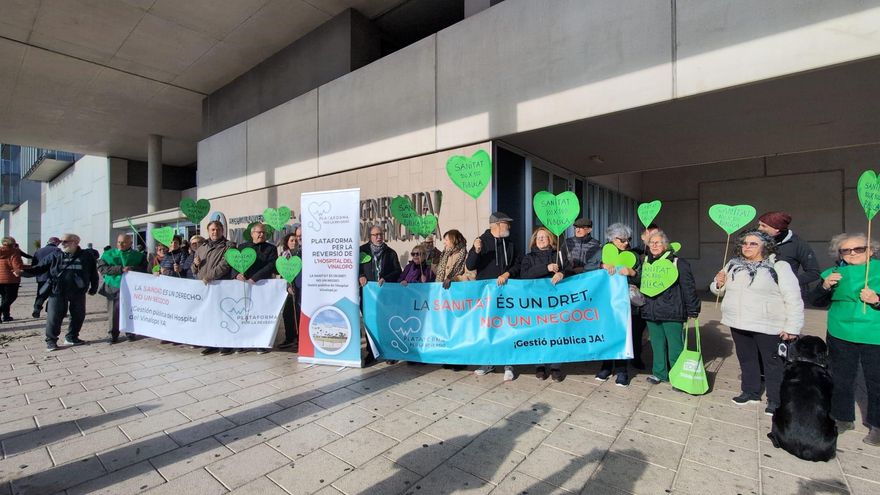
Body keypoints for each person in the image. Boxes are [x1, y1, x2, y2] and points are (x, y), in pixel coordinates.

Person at [710, 229, 803, 415]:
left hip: (767, 324)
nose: (747, 247)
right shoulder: (733, 264)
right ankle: (750, 391)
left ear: (765, 246)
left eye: (753, 244)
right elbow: (718, 291)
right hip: (738, 322)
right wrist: (718, 283)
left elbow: (793, 297)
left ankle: (776, 400)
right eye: (745, 243)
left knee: (773, 363)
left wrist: (792, 327)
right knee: (746, 359)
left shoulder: (778, 266)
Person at [810, 233, 880, 446]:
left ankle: (877, 425)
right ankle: (842, 417)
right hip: (840, 331)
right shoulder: (833, 273)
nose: (852, 254)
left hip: (874, 333)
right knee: (840, 377)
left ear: (870, 250)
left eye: (858, 249)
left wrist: (877, 300)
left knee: (876, 380)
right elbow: (816, 301)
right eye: (845, 250)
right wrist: (825, 286)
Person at [638, 230, 701, 386]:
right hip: (651, 312)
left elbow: (688, 287)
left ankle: (678, 376)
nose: (654, 245)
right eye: (651, 243)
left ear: (665, 245)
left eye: (658, 242)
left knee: (675, 346)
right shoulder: (646, 262)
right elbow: (641, 282)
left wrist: (693, 308)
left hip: (672, 311)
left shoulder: (678, 263)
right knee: (657, 345)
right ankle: (659, 373)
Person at [17, 234, 99, 351]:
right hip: (58, 290)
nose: (62, 244)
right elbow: (39, 268)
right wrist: (22, 272)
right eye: (61, 241)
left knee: (78, 315)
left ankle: (71, 337)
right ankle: (51, 341)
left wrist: (93, 288)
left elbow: (93, 273)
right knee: (54, 316)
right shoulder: (55, 254)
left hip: (78, 291)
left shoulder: (86, 255)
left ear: (75, 242)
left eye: (65, 241)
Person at [466, 211, 521, 380]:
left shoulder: (510, 243)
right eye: (506, 223)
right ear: (496, 225)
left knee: (506, 328)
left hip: (506, 293)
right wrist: (476, 251)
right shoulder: (481, 241)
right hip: (487, 295)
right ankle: (488, 362)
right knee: (487, 328)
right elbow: (470, 265)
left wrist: (507, 274)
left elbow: (518, 263)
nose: (509, 226)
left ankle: (508, 364)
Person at [520, 227, 567, 382]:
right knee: (538, 333)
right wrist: (546, 268)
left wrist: (562, 273)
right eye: (538, 237)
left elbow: (570, 270)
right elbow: (525, 275)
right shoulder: (528, 257)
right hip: (536, 302)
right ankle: (539, 365)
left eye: (544, 237)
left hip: (555, 302)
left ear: (550, 239)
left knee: (556, 333)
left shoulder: (558, 255)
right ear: (534, 240)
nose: (541, 239)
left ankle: (555, 367)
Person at [598, 223, 641, 386]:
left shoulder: (634, 255)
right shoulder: (602, 251)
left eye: (628, 239)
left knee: (623, 335)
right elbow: (588, 268)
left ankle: (622, 370)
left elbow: (643, 278)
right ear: (612, 239)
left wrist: (632, 273)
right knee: (607, 333)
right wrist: (602, 265)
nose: (625, 242)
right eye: (621, 239)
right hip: (605, 301)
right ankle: (606, 366)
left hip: (626, 303)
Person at [191, 220, 236, 355]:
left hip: (220, 286)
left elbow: (225, 265)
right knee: (208, 316)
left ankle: (225, 344)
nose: (215, 232)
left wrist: (209, 277)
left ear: (222, 231)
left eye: (217, 229)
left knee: (223, 315)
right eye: (212, 229)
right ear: (208, 231)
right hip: (204, 287)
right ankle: (211, 343)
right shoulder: (202, 247)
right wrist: (195, 265)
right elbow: (194, 269)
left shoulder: (229, 246)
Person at [233, 223, 278, 354]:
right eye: (259, 232)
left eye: (263, 232)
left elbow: (271, 265)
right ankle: (242, 343)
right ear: (252, 234)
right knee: (243, 315)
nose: (261, 234)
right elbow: (234, 263)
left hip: (261, 286)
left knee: (259, 315)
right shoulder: (242, 247)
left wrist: (254, 278)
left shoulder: (271, 248)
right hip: (243, 286)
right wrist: (236, 274)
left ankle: (260, 343)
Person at [97, 234, 148, 343]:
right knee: (113, 312)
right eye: (119, 242)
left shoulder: (139, 256)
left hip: (131, 287)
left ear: (131, 243)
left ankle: (130, 332)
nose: (121, 244)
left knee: (131, 310)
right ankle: (113, 335)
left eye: (124, 242)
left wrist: (132, 269)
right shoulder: (108, 254)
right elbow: (101, 268)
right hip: (113, 286)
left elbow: (145, 269)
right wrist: (120, 269)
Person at [757, 211, 820, 295]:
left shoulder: (798, 244)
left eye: (763, 226)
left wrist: (790, 282)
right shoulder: (756, 241)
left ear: (777, 228)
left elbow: (814, 272)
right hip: (758, 292)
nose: (759, 228)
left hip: (784, 294)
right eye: (759, 225)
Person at [278, 227, 302, 351]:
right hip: (288, 289)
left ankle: (299, 338)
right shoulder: (283, 256)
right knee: (288, 313)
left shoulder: (301, 254)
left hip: (300, 287)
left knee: (298, 313)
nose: (294, 242)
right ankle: (289, 338)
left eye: (296, 240)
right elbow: (282, 273)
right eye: (291, 240)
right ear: (287, 243)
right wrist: (288, 286)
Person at [31, 237, 60, 318]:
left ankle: (37, 308)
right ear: (56, 243)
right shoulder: (58, 251)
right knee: (53, 294)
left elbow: (34, 265)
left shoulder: (38, 251)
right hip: (54, 276)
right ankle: (49, 309)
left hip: (41, 277)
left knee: (41, 294)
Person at [0, 237, 24, 322]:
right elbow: (17, 266)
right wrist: (30, 267)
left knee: (4, 298)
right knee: (12, 297)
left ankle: (6, 316)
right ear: (13, 243)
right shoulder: (14, 251)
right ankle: (2, 312)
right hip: (11, 279)